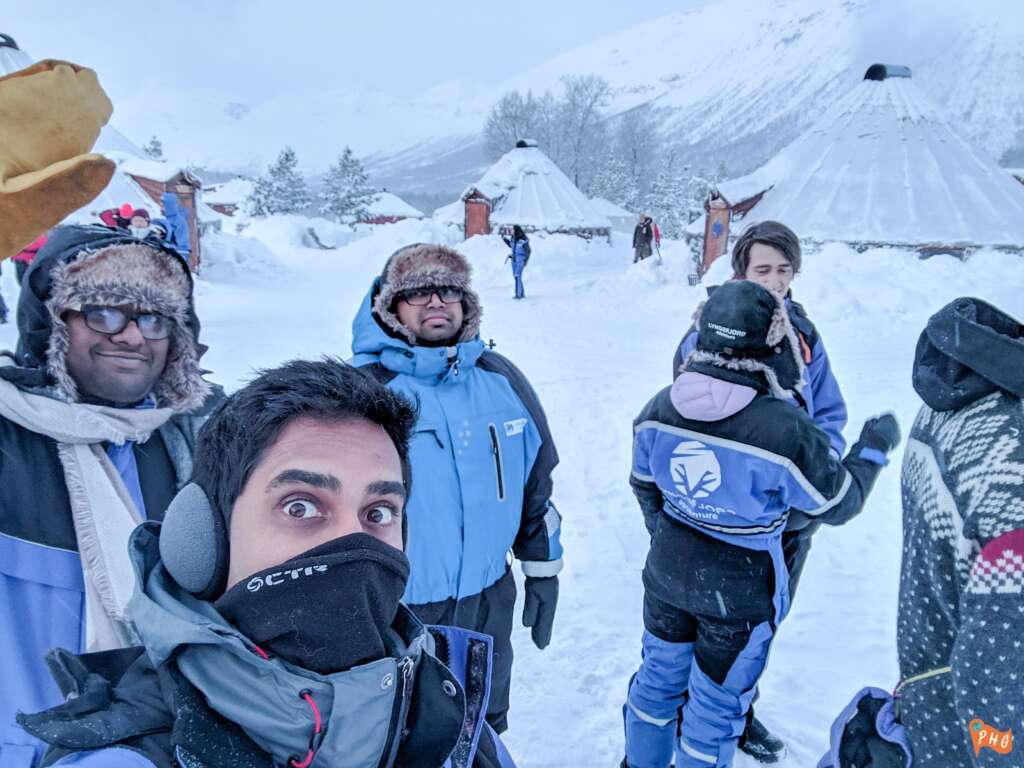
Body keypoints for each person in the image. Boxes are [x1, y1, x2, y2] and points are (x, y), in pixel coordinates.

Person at [17, 359, 516, 768]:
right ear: (204, 536)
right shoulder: (123, 760)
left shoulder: (458, 729)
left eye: (378, 512)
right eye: (301, 506)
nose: (351, 544)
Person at [623, 280, 900, 768]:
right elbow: (835, 502)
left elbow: (644, 485)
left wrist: (678, 529)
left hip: (666, 574)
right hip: (741, 591)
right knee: (713, 711)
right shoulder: (785, 430)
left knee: (657, 681)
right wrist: (871, 449)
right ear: (775, 344)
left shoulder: (658, 408)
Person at [0, 224, 219, 765]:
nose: (131, 335)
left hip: (157, 747)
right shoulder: (8, 436)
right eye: (102, 312)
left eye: (152, 318)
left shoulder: (197, 443)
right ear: (52, 324)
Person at [351, 243, 563, 734]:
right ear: (390, 308)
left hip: (490, 603)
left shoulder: (502, 379)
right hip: (399, 611)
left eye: (449, 291)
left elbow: (537, 487)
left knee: (483, 726)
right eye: (418, 292)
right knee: (404, 737)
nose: (436, 302)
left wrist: (544, 571)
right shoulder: (362, 391)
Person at [671, 220, 847, 762]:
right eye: (762, 269)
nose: (774, 280)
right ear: (741, 270)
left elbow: (829, 415)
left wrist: (819, 471)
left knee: (761, 623)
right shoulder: (711, 328)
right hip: (727, 506)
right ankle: (686, 706)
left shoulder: (804, 336)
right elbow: (687, 413)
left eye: (783, 270)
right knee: (702, 615)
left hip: (790, 511)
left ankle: (737, 711)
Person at [896, 297, 1023, 766]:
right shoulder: (1013, 477)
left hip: (929, 680)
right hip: (964, 731)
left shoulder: (968, 390)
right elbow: (997, 682)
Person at [502, 225, 531, 300]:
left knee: (518, 276)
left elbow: (528, 251)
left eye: (513, 230)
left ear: (516, 230)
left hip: (520, 260)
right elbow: (511, 246)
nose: (512, 231)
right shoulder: (513, 238)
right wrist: (504, 239)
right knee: (516, 277)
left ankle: (518, 295)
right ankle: (521, 293)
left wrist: (525, 261)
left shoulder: (523, 239)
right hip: (514, 260)